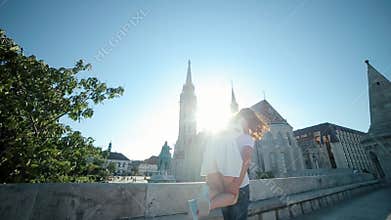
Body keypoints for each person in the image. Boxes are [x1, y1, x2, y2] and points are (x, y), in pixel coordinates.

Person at [188, 108, 265, 220]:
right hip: (239, 183)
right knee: (233, 197)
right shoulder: (246, 137)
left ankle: (198, 207)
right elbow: (246, 158)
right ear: (250, 121)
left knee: (215, 190)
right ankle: (200, 209)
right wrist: (237, 183)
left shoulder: (227, 132)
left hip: (212, 155)